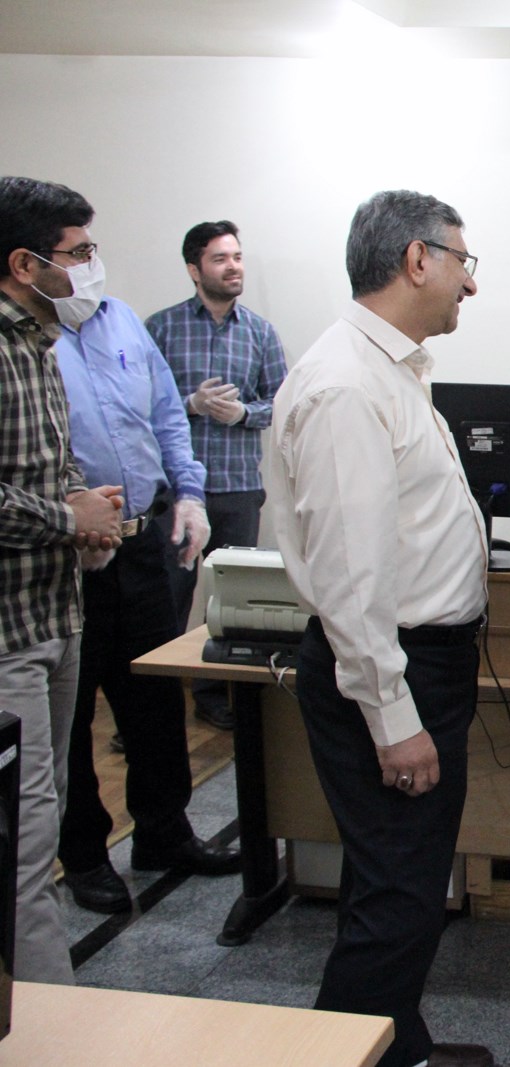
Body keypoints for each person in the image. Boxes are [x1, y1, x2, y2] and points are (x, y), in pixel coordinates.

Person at [263, 190, 494, 1067]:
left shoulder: (389, 369)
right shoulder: (346, 385)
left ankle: (398, 1046)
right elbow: (352, 580)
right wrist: (394, 716)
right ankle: (346, 1052)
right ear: (417, 259)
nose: (471, 283)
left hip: (418, 661)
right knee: (400, 895)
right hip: (391, 668)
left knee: (392, 880)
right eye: (464, 262)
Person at [53, 272, 244, 914]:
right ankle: (84, 855)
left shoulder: (122, 321)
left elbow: (166, 414)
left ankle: (164, 834)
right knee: (72, 714)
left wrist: (189, 493)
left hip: (140, 541)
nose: (89, 265)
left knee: (155, 698)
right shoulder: (26, 340)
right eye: (76, 251)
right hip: (69, 554)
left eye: (93, 249)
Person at [0, 176, 125, 982]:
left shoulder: (40, 346)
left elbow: (51, 468)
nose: (90, 266)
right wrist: (63, 517)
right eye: (78, 253)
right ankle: (49, 1015)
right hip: (8, 633)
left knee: (38, 825)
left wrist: (91, 516)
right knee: (18, 841)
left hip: (57, 614)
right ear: (24, 264)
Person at [146, 220, 287, 729]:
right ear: (194, 269)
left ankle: (216, 696)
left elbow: (283, 404)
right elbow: (139, 405)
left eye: (238, 257)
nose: (233, 267)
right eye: (221, 259)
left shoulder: (260, 332)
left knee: (230, 602)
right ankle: (154, 710)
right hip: (175, 495)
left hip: (237, 489)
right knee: (166, 599)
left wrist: (243, 413)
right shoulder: (160, 328)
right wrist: (192, 403)